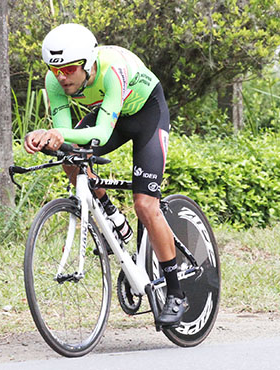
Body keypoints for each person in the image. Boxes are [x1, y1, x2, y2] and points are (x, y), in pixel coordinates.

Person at [24, 23, 189, 327]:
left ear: (87, 64)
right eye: (55, 69)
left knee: (145, 205)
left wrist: (57, 133)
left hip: (145, 114)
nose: (62, 77)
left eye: (70, 69)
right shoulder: (55, 79)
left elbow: (102, 131)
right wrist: (46, 138)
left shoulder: (112, 70)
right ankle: (112, 215)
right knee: (70, 158)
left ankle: (176, 293)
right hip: (108, 113)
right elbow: (65, 132)